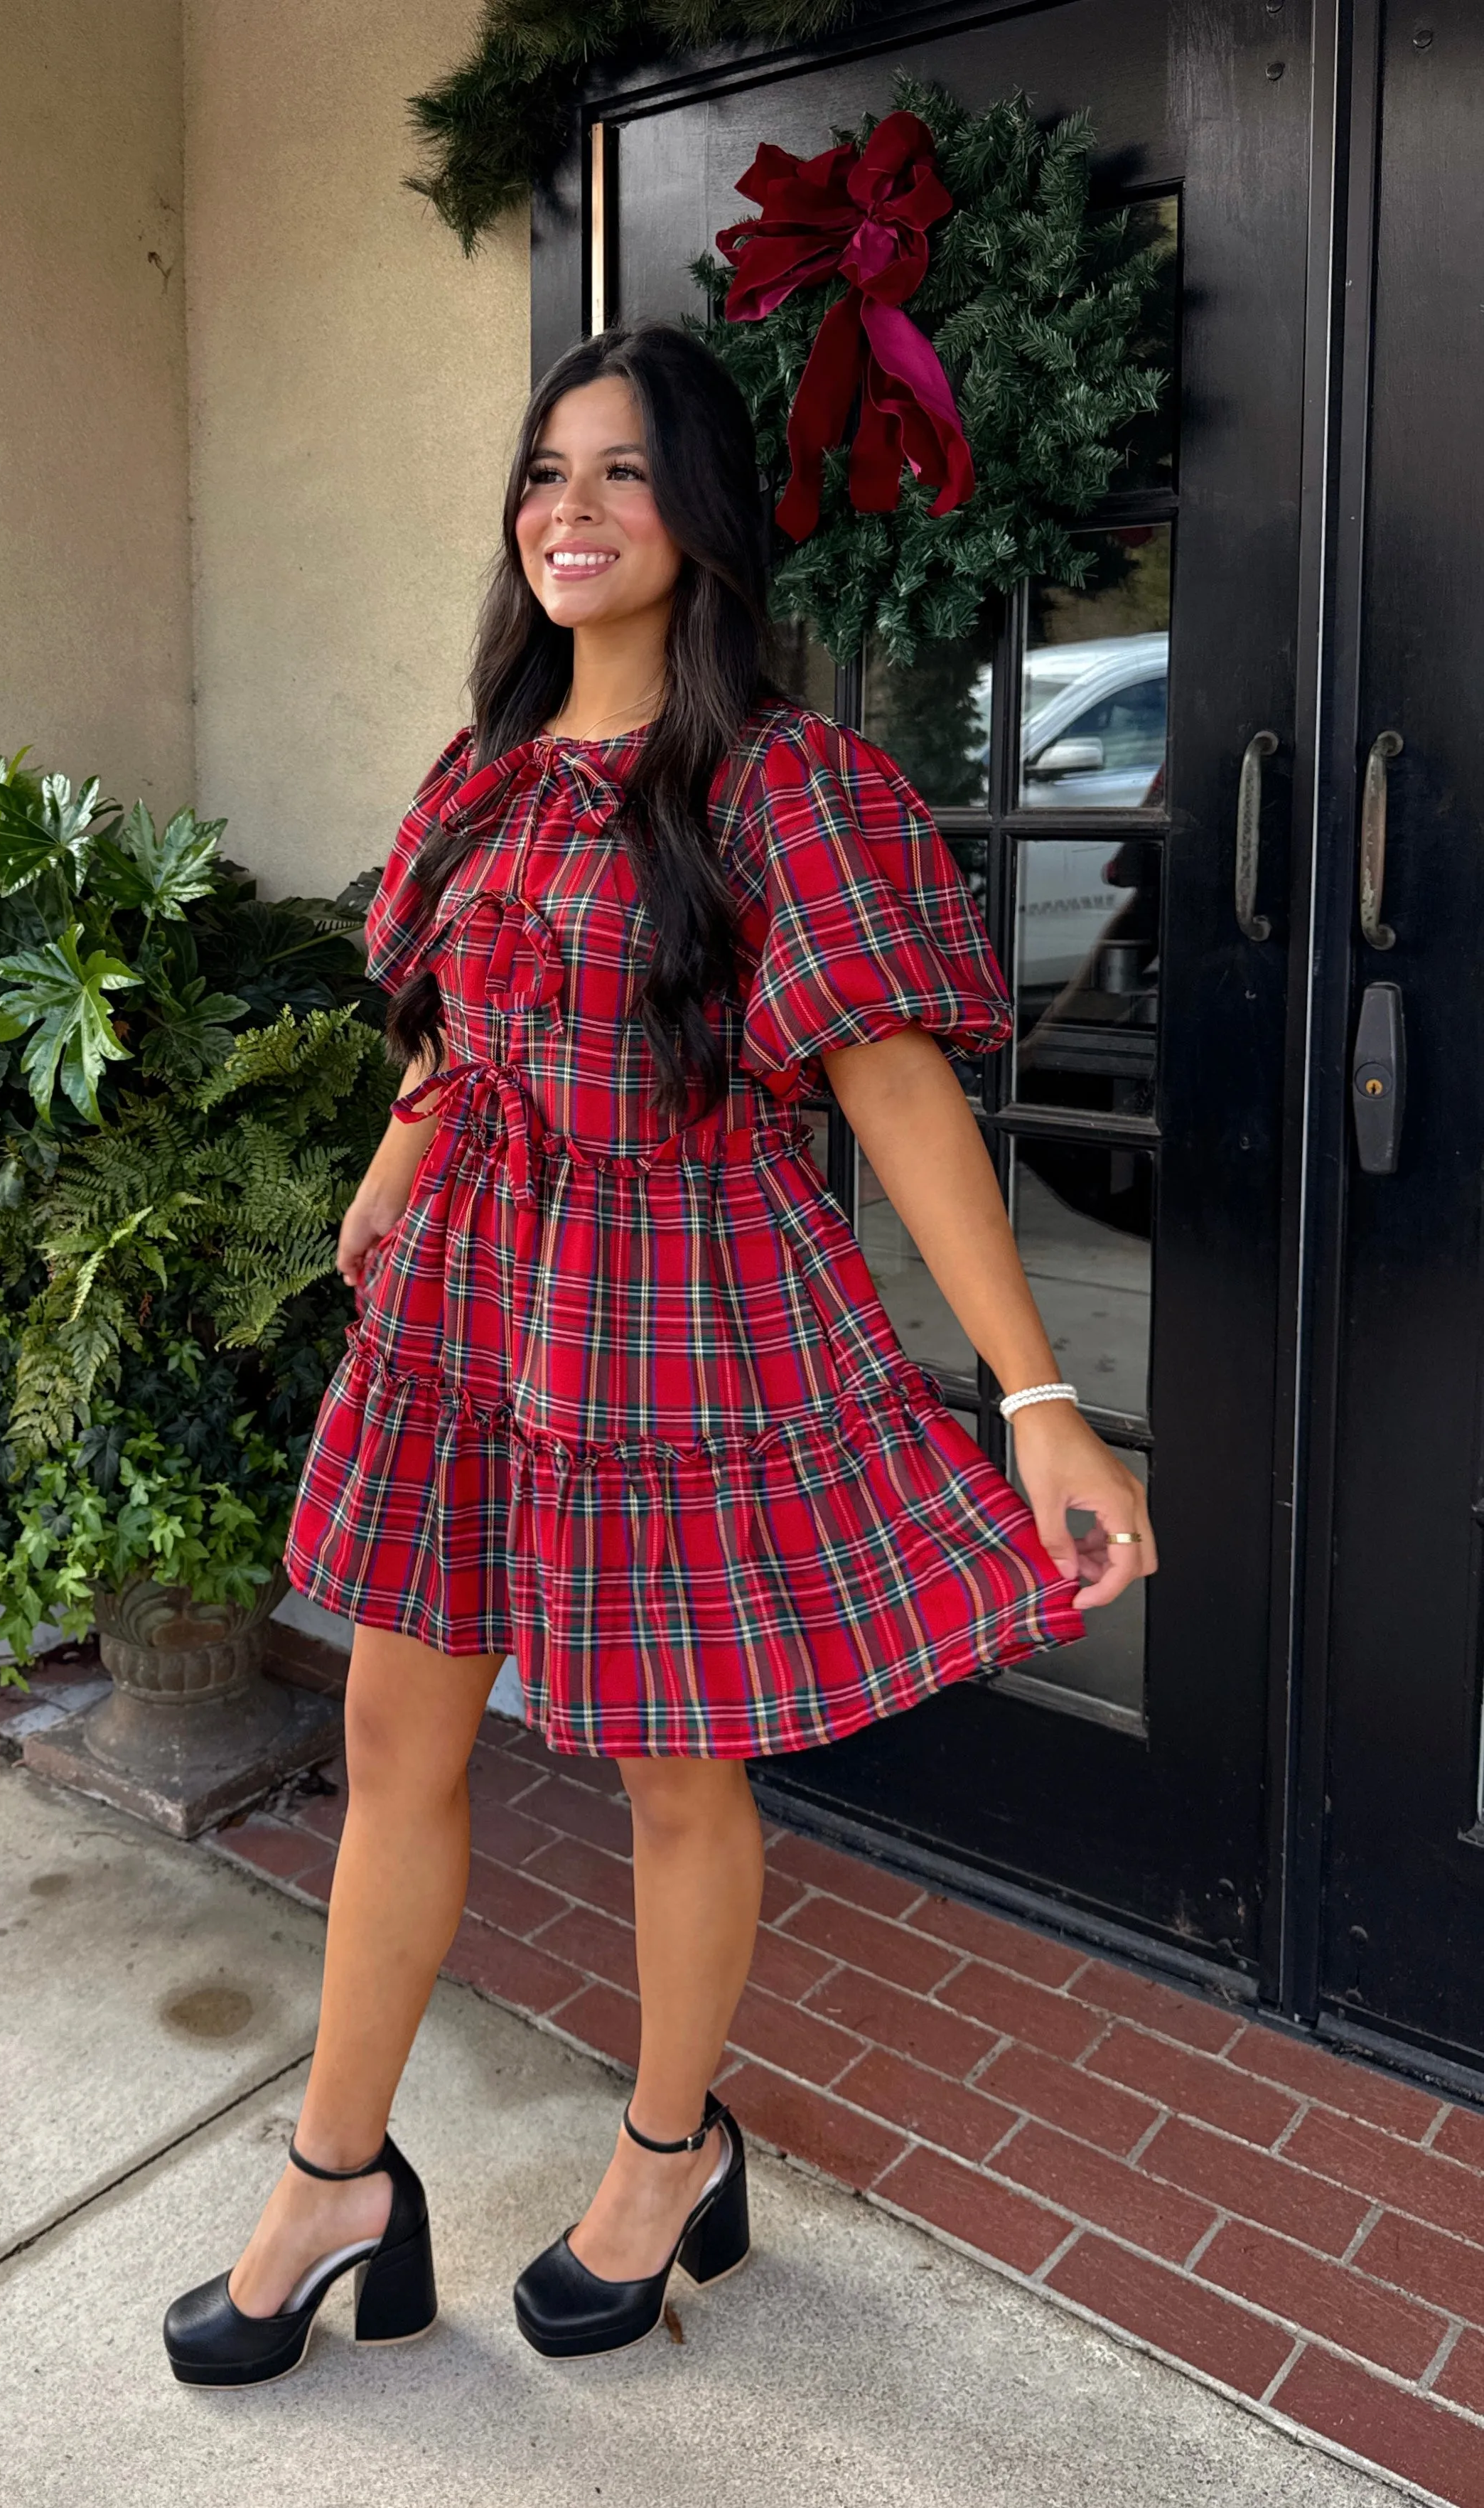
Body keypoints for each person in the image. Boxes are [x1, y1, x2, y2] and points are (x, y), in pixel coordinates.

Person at [162, 321, 1156, 2385]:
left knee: (668, 1774)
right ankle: (337, 2171)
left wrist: (1040, 1399)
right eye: (544, 473)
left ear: (698, 515)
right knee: (389, 1748)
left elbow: (891, 1092)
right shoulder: (483, 771)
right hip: (467, 1300)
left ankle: (669, 2145)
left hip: (673, 1317)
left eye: (621, 474)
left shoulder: (787, 781)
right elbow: (451, 1020)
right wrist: (392, 1154)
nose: (569, 512)